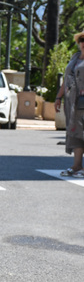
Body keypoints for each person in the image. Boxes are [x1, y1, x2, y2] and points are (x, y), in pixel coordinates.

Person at [56, 30, 84, 178]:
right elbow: (66, 80)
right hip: (73, 103)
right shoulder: (75, 58)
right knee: (75, 133)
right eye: (82, 40)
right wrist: (58, 97)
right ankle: (77, 165)